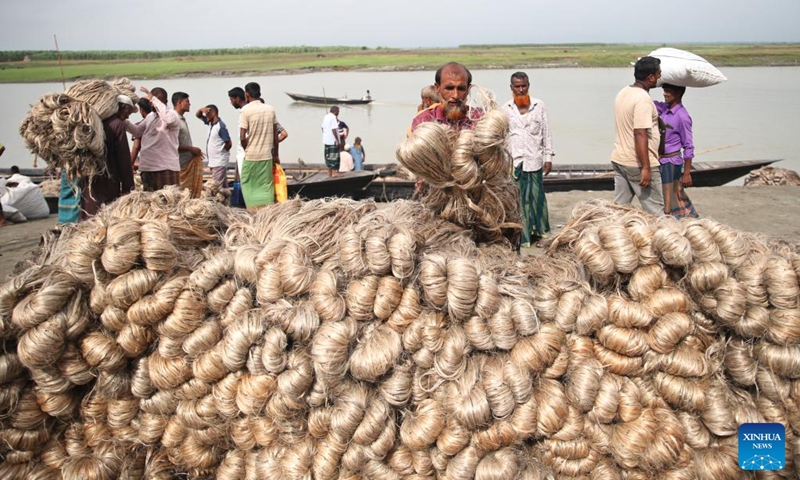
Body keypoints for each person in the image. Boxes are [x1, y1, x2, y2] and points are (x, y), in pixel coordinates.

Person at [503, 72, 554, 248]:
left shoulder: (539, 106)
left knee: (537, 198)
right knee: (519, 200)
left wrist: (548, 157)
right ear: (511, 88)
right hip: (515, 162)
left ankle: (541, 233)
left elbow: (546, 132)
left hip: (534, 160)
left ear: (528, 85)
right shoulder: (506, 109)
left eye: (524, 85)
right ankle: (523, 237)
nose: (521, 89)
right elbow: (503, 138)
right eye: (517, 86)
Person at [610, 56, 665, 217]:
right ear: (650, 77)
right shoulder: (643, 99)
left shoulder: (624, 92)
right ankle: (664, 241)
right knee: (655, 211)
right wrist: (646, 168)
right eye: (658, 74)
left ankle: (614, 238)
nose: (660, 77)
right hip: (638, 164)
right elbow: (640, 134)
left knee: (619, 209)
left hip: (620, 159)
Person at [81, 95, 136, 219]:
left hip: (89, 178)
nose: (127, 116)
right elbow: (123, 158)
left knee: (89, 211)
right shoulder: (116, 125)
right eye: (127, 112)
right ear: (121, 108)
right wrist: (128, 186)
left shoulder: (90, 123)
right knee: (107, 214)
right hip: (109, 179)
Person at [124, 86, 181, 192]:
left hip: (165, 168)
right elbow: (137, 131)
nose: (152, 103)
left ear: (165, 101)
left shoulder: (173, 115)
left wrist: (153, 99)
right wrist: (123, 120)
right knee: (150, 204)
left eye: (157, 100)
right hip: (147, 168)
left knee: (169, 203)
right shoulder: (150, 116)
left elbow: (167, 119)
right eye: (151, 101)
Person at [410, 62, 483, 133]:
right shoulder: (423, 121)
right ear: (437, 88)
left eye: (461, 88)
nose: (455, 95)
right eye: (449, 88)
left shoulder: (480, 120)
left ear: (468, 89)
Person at [239, 82, 279, 209]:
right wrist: (276, 155)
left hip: (251, 157)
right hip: (267, 156)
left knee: (247, 185)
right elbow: (275, 136)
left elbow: (242, 137)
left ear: (247, 94)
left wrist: (247, 149)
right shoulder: (270, 109)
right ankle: (267, 212)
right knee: (266, 186)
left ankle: (252, 211)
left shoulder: (245, 110)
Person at [173, 92, 204, 198]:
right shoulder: (174, 120)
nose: (189, 104)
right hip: (180, 164)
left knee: (188, 194)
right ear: (179, 103)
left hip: (187, 162)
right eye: (187, 102)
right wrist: (191, 149)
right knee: (182, 194)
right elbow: (172, 145)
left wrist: (193, 151)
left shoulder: (181, 119)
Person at [196, 104, 232, 189]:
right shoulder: (211, 124)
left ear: (213, 113)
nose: (206, 116)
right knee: (222, 188)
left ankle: (215, 202)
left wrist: (221, 152)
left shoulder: (220, 126)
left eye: (207, 114)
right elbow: (198, 115)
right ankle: (226, 201)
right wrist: (201, 110)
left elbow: (229, 143)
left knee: (214, 188)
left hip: (219, 162)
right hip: (215, 163)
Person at [130, 98, 152, 167]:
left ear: (142, 110)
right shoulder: (159, 123)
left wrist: (131, 164)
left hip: (146, 163)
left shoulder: (139, 125)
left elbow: (136, 146)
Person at [322, 106, 341, 176]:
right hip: (332, 141)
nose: (338, 113)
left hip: (326, 140)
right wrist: (337, 140)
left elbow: (322, 128)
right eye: (338, 111)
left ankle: (330, 172)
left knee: (328, 156)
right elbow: (334, 129)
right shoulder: (333, 117)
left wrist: (326, 134)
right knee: (334, 157)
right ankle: (334, 173)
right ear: (335, 111)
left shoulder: (326, 116)